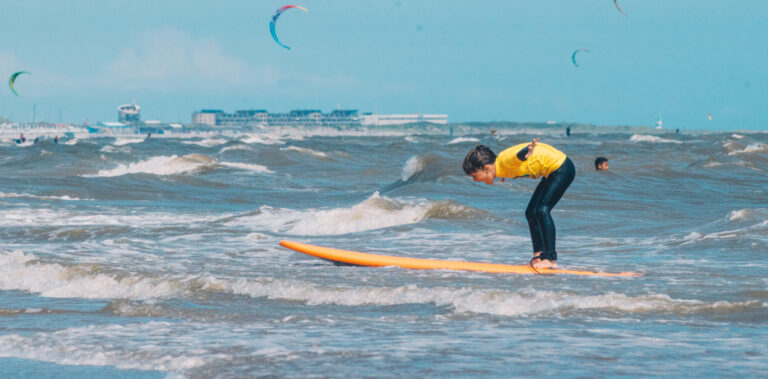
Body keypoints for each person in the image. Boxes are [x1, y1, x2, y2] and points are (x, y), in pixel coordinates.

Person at [462, 138, 575, 270]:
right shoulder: (500, 167)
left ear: (486, 168)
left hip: (561, 169)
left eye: (475, 175)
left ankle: (550, 258)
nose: (475, 180)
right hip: (552, 172)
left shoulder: (505, 160)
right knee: (531, 212)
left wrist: (527, 151)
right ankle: (538, 257)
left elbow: (518, 156)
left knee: (542, 211)